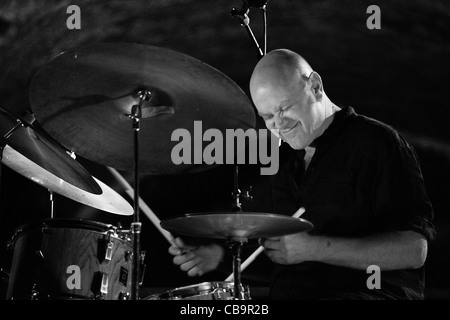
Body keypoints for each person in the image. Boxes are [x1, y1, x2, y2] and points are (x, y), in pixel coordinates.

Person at [168, 49, 436, 300]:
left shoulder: (377, 143)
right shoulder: (286, 161)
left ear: (315, 86)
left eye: (284, 108)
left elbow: (413, 250)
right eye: (268, 116)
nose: (279, 125)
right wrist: (220, 257)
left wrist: (313, 248)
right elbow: (285, 252)